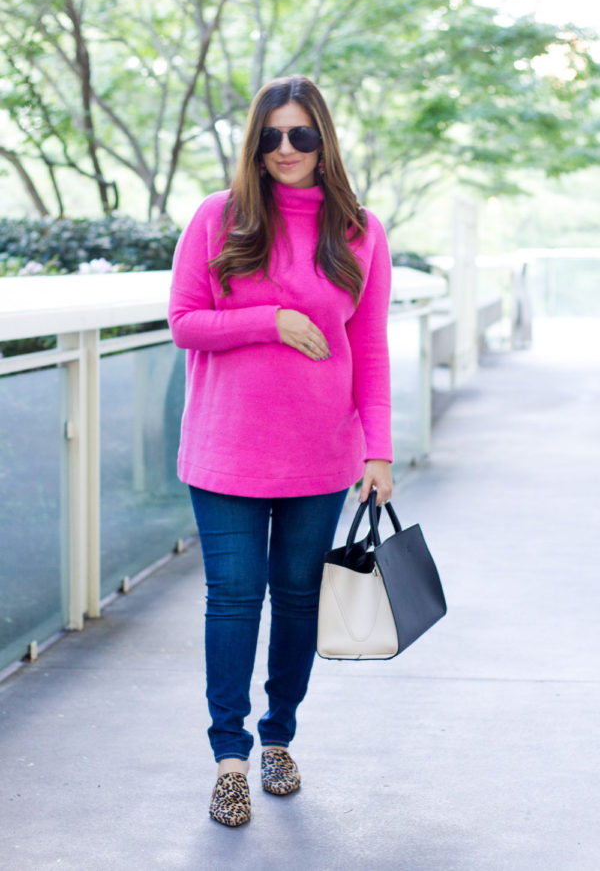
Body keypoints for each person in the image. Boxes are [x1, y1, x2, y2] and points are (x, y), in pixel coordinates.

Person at [168, 75, 393, 827]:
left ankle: (278, 739)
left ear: (323, 139)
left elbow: (370, 347)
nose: (286, 149)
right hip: (225, 452)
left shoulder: (359, 229)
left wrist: (380, 450)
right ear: (253, 144)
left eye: (301, 135)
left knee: (297, 602)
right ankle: (228, 758)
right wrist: (269, 319)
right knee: (234, 599)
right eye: (271, 136)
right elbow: (186, 322)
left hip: (322, 456)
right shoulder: (218, 217)